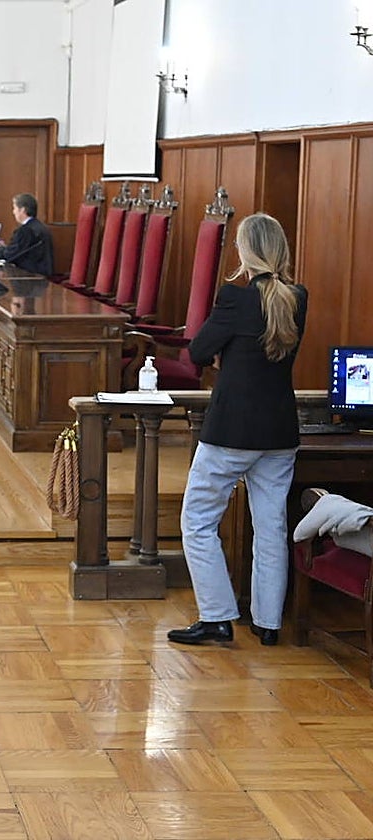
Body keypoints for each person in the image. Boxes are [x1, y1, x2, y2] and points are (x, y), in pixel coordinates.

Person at [167, 212, 308, 648]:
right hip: (279, 432)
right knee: (270, 526)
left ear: (246, 251)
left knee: (197, 520)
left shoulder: (236, 298)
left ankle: (217, 616)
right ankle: (267, 623)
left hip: (231, 432)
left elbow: (198, 350)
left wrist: (221, 354)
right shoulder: (298, 297)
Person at [0, 192, 54, 276]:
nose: (13, 212)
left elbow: (10, 255)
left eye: (15, 208)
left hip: (29, 279)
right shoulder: (40, 227)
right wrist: (4, 248)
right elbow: (20, 251)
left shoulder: (26, 230)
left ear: (22, 210)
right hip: (41, 275)